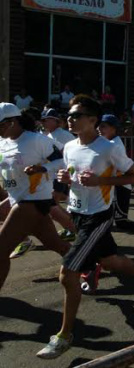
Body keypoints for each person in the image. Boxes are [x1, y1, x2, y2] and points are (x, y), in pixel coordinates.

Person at [38, 95, 134, 359]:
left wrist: (101, 180)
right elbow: (73, 177)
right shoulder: (70, 147)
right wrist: (65, 179)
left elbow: (133, 176)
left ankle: (64, 335)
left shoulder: (107, 148)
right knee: (111, 261)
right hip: (78, 214)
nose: (70, 119)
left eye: (76, 116)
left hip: (99, 216)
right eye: (69, 115)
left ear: (93, 120)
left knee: (67, 273)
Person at [0, 103, 69, 285]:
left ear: (13, 121)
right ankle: (91, 263)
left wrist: (42, 167)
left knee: (1, 249)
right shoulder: (3, 142)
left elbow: (65, 158)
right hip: (17, 199)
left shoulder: (36, 140)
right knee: (56, 245)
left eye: (0, 125)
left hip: (34, 200)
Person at [97, 115, 134, 251]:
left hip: (120, 187)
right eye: (99, 125)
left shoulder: (114, 145)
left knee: (121, 222)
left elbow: (128, 171)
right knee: (104, 220)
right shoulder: (108, 143)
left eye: (103, 126)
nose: (99, 129)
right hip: (112, 187)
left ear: (113, 129)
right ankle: (105, 250)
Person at [40, 108, 77, 242]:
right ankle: (71, 228)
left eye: (46, 120)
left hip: (63, 173)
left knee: (52, 206)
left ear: (55, 121)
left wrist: (70, 174)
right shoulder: (48, 135)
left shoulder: (63, 135)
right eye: (42, 120)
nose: (43, 122)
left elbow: (71, 154)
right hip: (55, 175)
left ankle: (73, 229)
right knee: (56, 204)